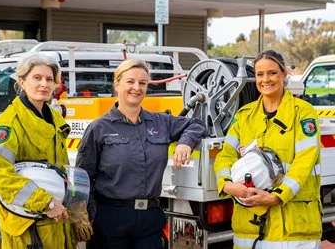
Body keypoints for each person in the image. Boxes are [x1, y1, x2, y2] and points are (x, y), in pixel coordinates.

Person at [75, 59, 207, 248]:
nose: (136, 88)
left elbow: (197, 124)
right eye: (130, 81)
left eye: (142, 83)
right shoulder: (99, 128)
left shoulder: (160, 122)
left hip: (149, 220)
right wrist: (88, 215)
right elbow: (83, 176)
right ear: (117, 83)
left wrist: (185, 143)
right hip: (111, 218)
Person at [214, 50, 321, 249]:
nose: (265, 79)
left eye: (272, 73)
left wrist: (276, 196)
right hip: (249, 231)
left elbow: (304, 162)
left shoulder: (303, 113)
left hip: (292, 230)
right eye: (260, 74)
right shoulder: (244, 116)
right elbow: (226, 155)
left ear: (284, 74)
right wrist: (227, 185)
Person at [0, 53, 77, 249]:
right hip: (28, 225)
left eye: (49, 79)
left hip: (56, 221)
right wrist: (45, 202)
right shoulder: (9, 122)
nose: (44, 84)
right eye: (37, 78)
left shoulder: (53, 117)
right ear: (22, 81)